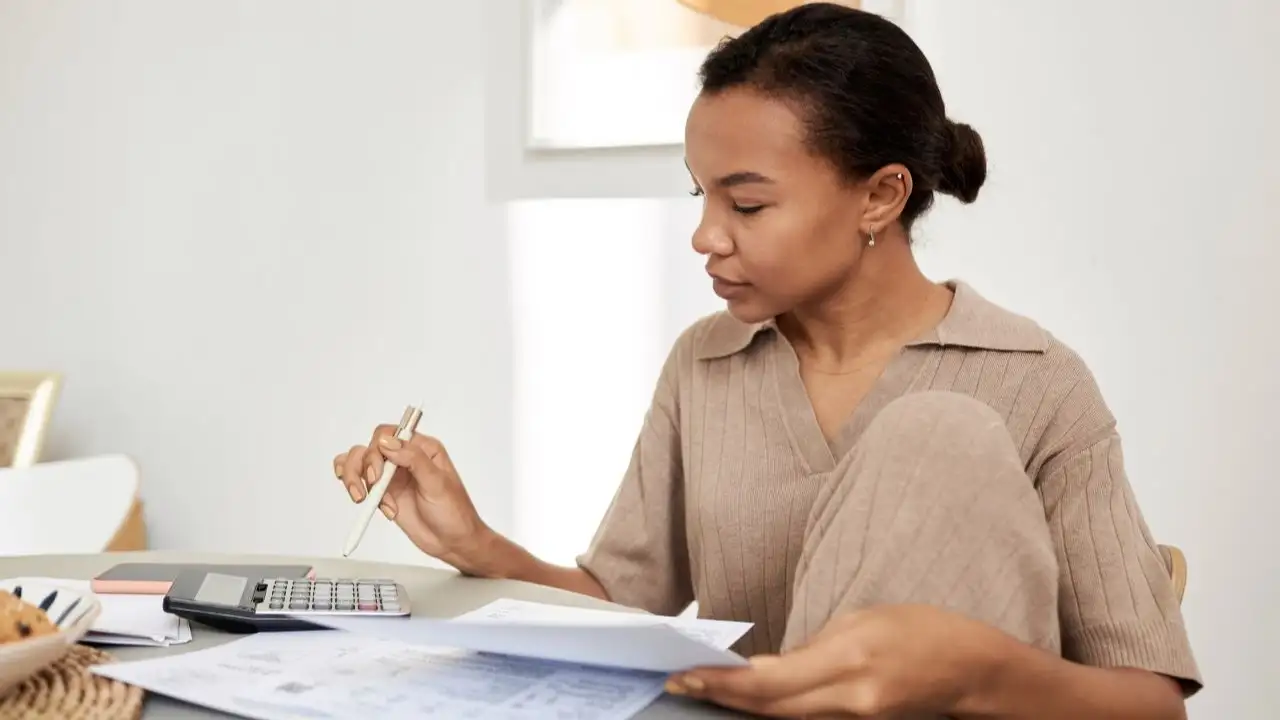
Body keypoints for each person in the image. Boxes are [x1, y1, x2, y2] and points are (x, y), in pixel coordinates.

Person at [334, 3, 1200, 718]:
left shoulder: (1035, 380)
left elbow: (1151, 702)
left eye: (746, 203)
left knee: (940, 435)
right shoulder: (707, 363)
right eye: (701, 195)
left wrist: (973, 670)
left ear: (881, 193)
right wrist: (477, 544)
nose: (705, 236)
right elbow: (627, 610)